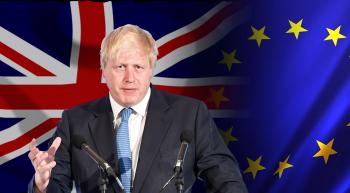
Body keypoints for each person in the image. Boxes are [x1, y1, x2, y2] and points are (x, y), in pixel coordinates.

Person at [28, 24, 248, 193]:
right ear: (103, 69)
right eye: (120, 66)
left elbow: (226, 180)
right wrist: (42, 183)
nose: (129, 78)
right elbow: (56, 185)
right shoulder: (75, 121)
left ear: (151, 68)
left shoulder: (190, 115)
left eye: (138, 67)